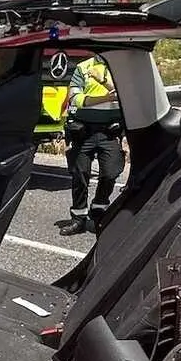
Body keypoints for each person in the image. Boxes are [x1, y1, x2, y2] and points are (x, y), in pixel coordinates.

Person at [57, 54, 125, 236]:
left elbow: (124, 96)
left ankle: (98, 210)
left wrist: (103, 80)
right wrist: (105, 98)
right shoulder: (83, 67)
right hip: (83, 130)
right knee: (80, 174)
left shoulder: (121, 66)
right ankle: (78, 218)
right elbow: (75, 99)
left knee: (110, 173)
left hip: (109, 131)